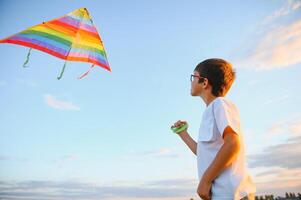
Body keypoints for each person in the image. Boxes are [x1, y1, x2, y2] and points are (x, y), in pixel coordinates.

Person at [171, 58, 256, 200]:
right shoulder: (210, 110)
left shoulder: (220, 104)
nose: (191, 81)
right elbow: (204, 153)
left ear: (204, 82)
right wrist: (183, 134)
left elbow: (233, 144)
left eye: (194, 77)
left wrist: (206, 180)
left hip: (233, 194)